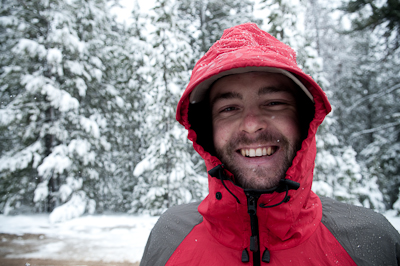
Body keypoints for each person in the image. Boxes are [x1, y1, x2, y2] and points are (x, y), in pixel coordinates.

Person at [140, 23, 400, 266]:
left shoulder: (369, 243)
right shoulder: (169, 239)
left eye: (274, 103)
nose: (252, 124)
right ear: (207, 131)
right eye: (229, 108)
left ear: (303, 120)